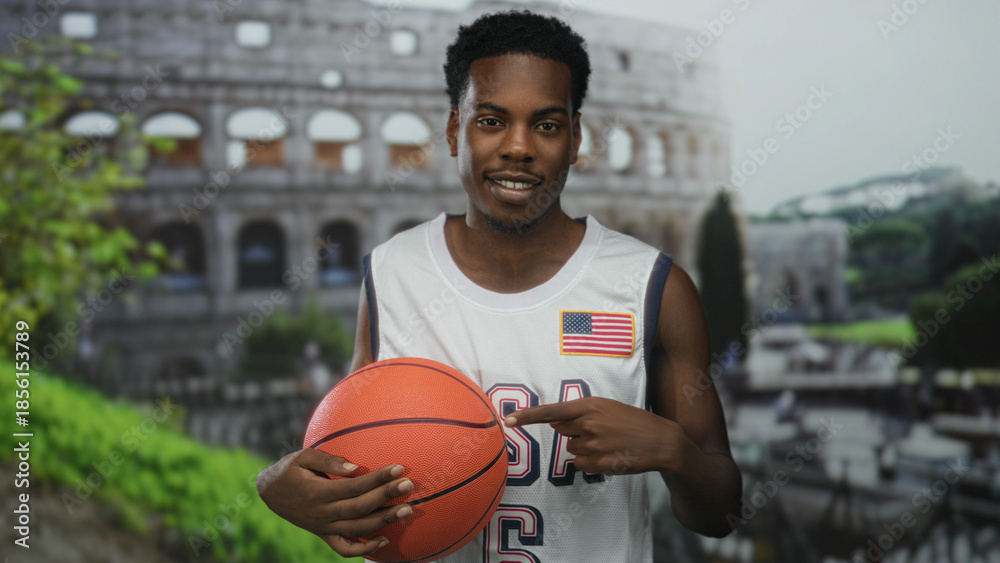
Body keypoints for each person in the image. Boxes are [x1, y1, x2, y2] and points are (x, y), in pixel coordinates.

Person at [257, 9, 741, 561]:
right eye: (490, 121)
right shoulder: (391, 273)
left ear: (575, 138)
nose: (518, 147)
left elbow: (722, 514)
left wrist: (674, 450)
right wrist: (276, 485)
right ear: (453, 131)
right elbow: (347, 455)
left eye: (547, 125)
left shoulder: (654, 286)